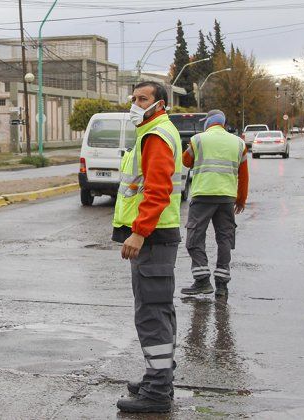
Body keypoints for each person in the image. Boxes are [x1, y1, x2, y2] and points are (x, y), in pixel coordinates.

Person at [113, 81, 183, 414]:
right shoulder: (155, 131)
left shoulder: (156, 136)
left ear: (160, 104)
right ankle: (159, 377)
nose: (136, 104)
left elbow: (157, 190)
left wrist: (139, 233)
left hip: (153, 238)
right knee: (159, 310)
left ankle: (157, 393)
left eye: (143, 99)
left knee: (151, 314)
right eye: (134, 98)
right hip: (160, 234)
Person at [180, 110, 249, 298]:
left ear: (209, 122)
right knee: (225, 238)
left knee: (195, 236)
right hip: (227, 197)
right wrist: (241, 199)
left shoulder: (198, 140)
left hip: (203, 195)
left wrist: (189, 148)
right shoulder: (239, 143)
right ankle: (222, 285)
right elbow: (243, 176)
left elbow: (186, 162)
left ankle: (202, 280)